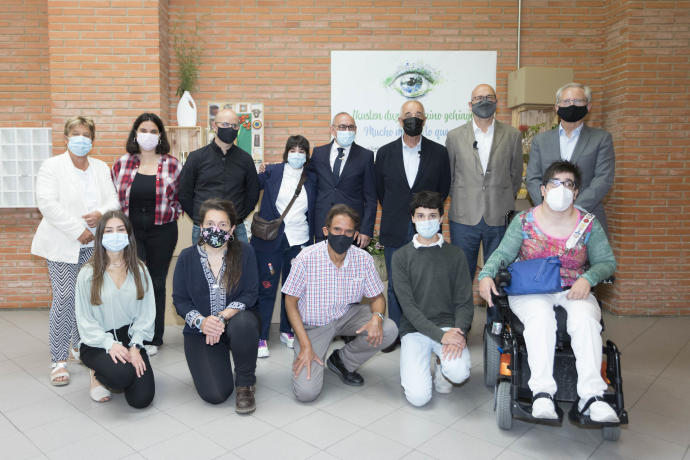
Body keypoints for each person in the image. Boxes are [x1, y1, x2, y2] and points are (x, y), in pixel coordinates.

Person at [478, 160, 619, 423]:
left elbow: (607, 262)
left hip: (573, 287)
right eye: (555, 183)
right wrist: (486, 274)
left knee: (586, 321)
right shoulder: (524, 221)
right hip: (532, 288)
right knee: (541, 319)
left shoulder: (588, 224)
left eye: (568, 184)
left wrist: (588, 278)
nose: (561, 189)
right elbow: (502, 254)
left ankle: (592, 396)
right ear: (543, 189)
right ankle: (542, 392)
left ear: (576, 192)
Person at [31, 116, 120, 387]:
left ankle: (79, 344)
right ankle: (58, 360)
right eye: (75, 133)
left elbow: (113, 200)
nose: (81, 138)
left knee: (88, 297)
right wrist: (76, 230)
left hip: (94, 244)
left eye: (86, 134)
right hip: (62, 244)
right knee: (65, 297)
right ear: (66, 137)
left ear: (92, 140)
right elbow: (47, 203)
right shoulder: (52, 166)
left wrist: (100, 214)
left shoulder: (100, 167)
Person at [282, 204, 398, 402]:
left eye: (348, 231)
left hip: (346, 315)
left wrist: (377, 319)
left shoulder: (363, 259)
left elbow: (377, 297)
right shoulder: (306, 258)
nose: (342, 235)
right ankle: (311, 351)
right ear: (326, 231)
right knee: (306, 393)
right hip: (314, 324)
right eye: (337, 230)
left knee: (388, 329)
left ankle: (342, 361)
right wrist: (305, 343)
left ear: (354, 235)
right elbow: (290, 302)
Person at [375, 100, 451, 352]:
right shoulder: (384, 153)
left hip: (427, 228)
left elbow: (443, 189)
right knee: (397, 284)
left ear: (425, 120)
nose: (413, 118)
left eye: (418, 115)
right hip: (395, 225)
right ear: (399, 120)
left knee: (427, 282)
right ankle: (397, 332)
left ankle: (425, 330)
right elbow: (380, 191)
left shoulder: (439, 153)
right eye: (408, 114)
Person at [172, 198, 260, 414]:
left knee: (245, 322)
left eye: (222, 225)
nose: (215, 229)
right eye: (210, 224)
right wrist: (202, 323)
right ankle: (220, 362)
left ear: (232, 229)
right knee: (216, 395)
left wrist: (221, 318)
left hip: (234, 325)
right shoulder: (186, 258)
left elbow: (251, 293)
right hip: (200, 332)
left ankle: (245, 383)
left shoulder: (245, 253)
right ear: (200, 227)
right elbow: (180, 301)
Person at [393, 191, 474, 406]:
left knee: (458, 374)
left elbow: (464, 302)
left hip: (448, 327)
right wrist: (440, 336)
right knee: (419, 398)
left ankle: (441, 366)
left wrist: (459, 332)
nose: (426, 221)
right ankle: (427, 362)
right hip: (414, 329)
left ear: (441, 218)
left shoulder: (455, 255)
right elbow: (408, 308)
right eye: (420, 216)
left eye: (432, 215)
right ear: (412, 218)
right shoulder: (401, 257)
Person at [111, 113, 182, 356]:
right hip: (131, 232)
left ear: (160, 135)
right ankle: (132, 333)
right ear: (135, 133)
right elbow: (114, 198)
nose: (148, 135)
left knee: (157, 281)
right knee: (134, 281)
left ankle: (153, 336)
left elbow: (183, 195)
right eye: (144, 130)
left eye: (153, 131)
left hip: (162, 230)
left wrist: (173, 211)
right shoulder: (122, 163)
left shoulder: (172, 163)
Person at [75, 210, 156, 407]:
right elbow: (85, 320)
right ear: (100, 236)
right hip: (98, 342)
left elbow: (146, 315)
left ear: (129, 235)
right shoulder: (87, 274)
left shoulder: (140, 270)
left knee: (141, 400)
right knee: (121, 376)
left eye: (120, 230)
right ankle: (97, 372)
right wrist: (109, 344)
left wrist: (136, 346)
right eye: (109, 231)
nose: (115, 235)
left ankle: (123, 368)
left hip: (130, 337)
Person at [445, 83, 523, 284]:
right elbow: (450, 176)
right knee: (462, 273)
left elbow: (515, 175)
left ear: (497, 102)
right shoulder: (454, 136)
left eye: (489, 97)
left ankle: (495, 316)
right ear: (470, 105)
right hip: (464, 216)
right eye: (479, 98)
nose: (484, 101)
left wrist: (502, 196)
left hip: (499, 215)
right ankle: (462, 316)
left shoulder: (512, 135)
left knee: (497, 272)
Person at [250, 135, 317, 358]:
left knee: (293, 290)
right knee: (267, 288)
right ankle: (261, 336)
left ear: (307, 156)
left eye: (301, 150)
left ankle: (288, 330)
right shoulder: (272, 171)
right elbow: (250, 185)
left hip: (299, 241)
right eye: (293, 150)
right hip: (270, 240)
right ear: (286, 152)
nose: (297, 154)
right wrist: (258, 169)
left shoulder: (312, 178)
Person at [526, 82, 615, 234]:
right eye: (566, 101)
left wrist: (573, 210)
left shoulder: (601, 139)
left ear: (588, 107)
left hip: (587, 219)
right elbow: (532, 178)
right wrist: (548, 208)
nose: (571, 105)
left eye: (578, 101)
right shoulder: (541, 141)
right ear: (556, 107)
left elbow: (603, 179)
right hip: (546, 221)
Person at [178, 108, 260, 244]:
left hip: (236, 228)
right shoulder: (196, 157)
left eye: (234, 126)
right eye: (225, 125)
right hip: (204, 228)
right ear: (214, 126)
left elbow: (253, 193)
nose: (230, 128)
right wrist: (199, 218)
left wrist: (238, 216)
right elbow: (184, 193)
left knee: (240, 264)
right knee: (204, 265)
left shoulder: (245, 159)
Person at [309, 112, 376, 248]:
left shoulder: (365, 156)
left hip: (352, 230)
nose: (347, 131)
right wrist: (272, 168)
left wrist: (366, 230)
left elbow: (371, 198)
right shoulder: (318, 153)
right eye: (342, 127)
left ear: (356, 130)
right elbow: (306, 181)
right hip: (323, 227)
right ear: (332, 130)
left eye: (351, 127)